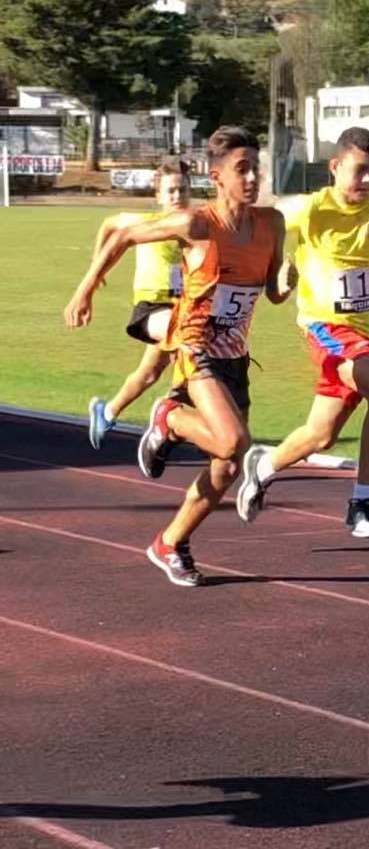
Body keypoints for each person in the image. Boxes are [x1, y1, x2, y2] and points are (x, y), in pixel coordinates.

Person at [64, 125, 296, 586]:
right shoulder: (197, 224)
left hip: (235, 355)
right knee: (234, 444)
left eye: (257, 168)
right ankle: (168, 416)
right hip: (195, 347)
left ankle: (170, 542)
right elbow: (122, 238)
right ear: (217, 177)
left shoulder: (271, 224)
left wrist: (286, 284)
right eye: (241, 169)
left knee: (226, 468)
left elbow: (269, 293)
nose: (252, 178)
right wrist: (84, 291)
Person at [237, 126, 369, 539]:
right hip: (326, 328)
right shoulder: (311, 209)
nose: (367, 180)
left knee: (321, 435)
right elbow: (258, 226)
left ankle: (263, 466)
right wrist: (277, 270)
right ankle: (362, 500)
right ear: (335, 166)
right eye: (359, 170)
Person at [85, 156, 190, 449]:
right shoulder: (144, 222)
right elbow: (109, 225)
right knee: (193, 343)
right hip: (152, 309)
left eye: (183, 189)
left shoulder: (197, 222)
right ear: (158, 195)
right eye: (171, 191)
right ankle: (169, 414)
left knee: (149, 373)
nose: (178, 196)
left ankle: (105, 412)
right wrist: (98, 264)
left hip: (182, 307)